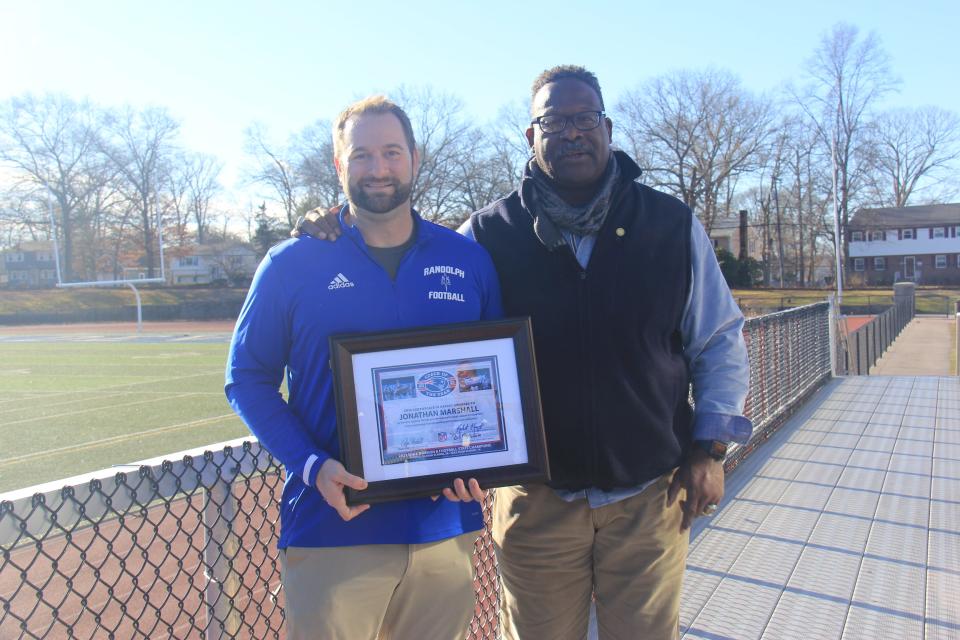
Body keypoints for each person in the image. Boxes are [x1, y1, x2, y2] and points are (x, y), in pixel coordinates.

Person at [295, 66, 752, 640]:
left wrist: (709, 449)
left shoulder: (670, 225)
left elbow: (718, 340)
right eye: (553, 121)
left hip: (648, 492)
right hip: (536, 503)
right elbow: (416, 302)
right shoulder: (487, 235)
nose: (572, 132)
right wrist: (340, 226)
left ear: (607, 127)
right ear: (530, 136)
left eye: (585, 118)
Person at [226, 95, 503, 640]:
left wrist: (487, 463)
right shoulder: (291, 263)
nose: (378, 168)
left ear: (415, 159)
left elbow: (497, 382)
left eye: (392, 152)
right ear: (338, 164)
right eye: (361, 155)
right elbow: (247, 379)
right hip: (335, 528)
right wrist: (311, 465)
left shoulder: (468, 259)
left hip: (444, 530)